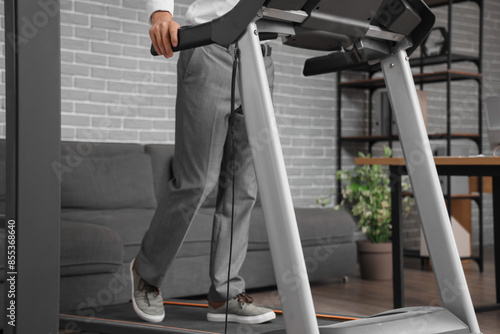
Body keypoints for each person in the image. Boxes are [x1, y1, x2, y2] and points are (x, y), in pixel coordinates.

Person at [129, 0, 276, 325]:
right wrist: (160, 13)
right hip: (211, 48)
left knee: (244, 188)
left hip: (260, 57)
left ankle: (224, 294)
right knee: (197, 182)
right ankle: (146, 271)